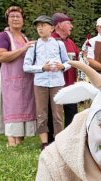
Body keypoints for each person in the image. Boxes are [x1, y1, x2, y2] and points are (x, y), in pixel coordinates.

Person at [23, 15, 70, 150]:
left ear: (52, 28)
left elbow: (67, 62)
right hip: (40, 83)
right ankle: (44, 144)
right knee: (41, 113)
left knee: (57, 113)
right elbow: (26, 67)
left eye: (43, 25)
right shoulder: (34, 46)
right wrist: (42, 68)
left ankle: (58, 142)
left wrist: (63, 67)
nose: (40, 28)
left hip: (57, 82)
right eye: (38, 26)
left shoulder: (59, 44)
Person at [0, 6, 36, 147]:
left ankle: (19, 140)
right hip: (11, 79)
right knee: (12, 108)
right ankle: (11, 141)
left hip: (25, 80)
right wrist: (23, 49)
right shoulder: (4, 36)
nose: (15, 19)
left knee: (23, 107)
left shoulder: (24, 37)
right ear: (7, 20)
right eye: (12, 16)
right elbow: (1, 56)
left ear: (23, 20)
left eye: (18, 16)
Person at [52, 12, 80, 128]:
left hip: (70, 84)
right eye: (68, 23)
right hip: (54, 85)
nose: (71, 26)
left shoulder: (70, 42)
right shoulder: (49, 40)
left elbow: (78, 59)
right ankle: (51, 140)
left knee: (72, 113)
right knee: (54, 113)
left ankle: (70, 137)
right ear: (59, 25)